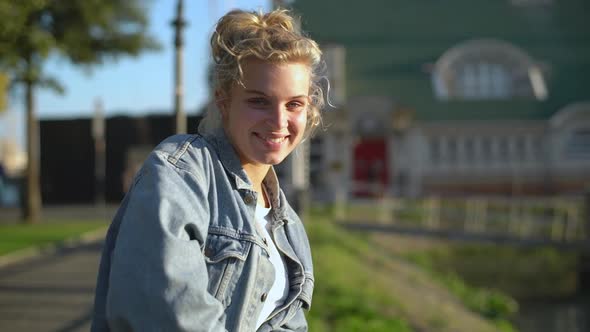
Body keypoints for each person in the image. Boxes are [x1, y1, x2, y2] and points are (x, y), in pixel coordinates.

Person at [91, 8, 326, 332]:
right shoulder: (181, 172)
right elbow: (165, 312)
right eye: (259, 101)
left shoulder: (289, 228)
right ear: (223, 101)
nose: (279, 121)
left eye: (294, 104)